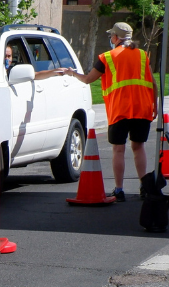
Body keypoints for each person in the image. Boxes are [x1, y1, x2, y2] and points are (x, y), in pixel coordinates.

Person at [64, 22, 155, 202]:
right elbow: (152, 82)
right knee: (138, 147)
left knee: (118, 149)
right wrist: (156, 104)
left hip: (119, 109)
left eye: (111, 36)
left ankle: (119, 189)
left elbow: (89, 79)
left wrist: (72, 73)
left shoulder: (107, 57)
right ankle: (144, 186)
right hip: (142, 108)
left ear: (115, 37)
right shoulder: (143, 55)